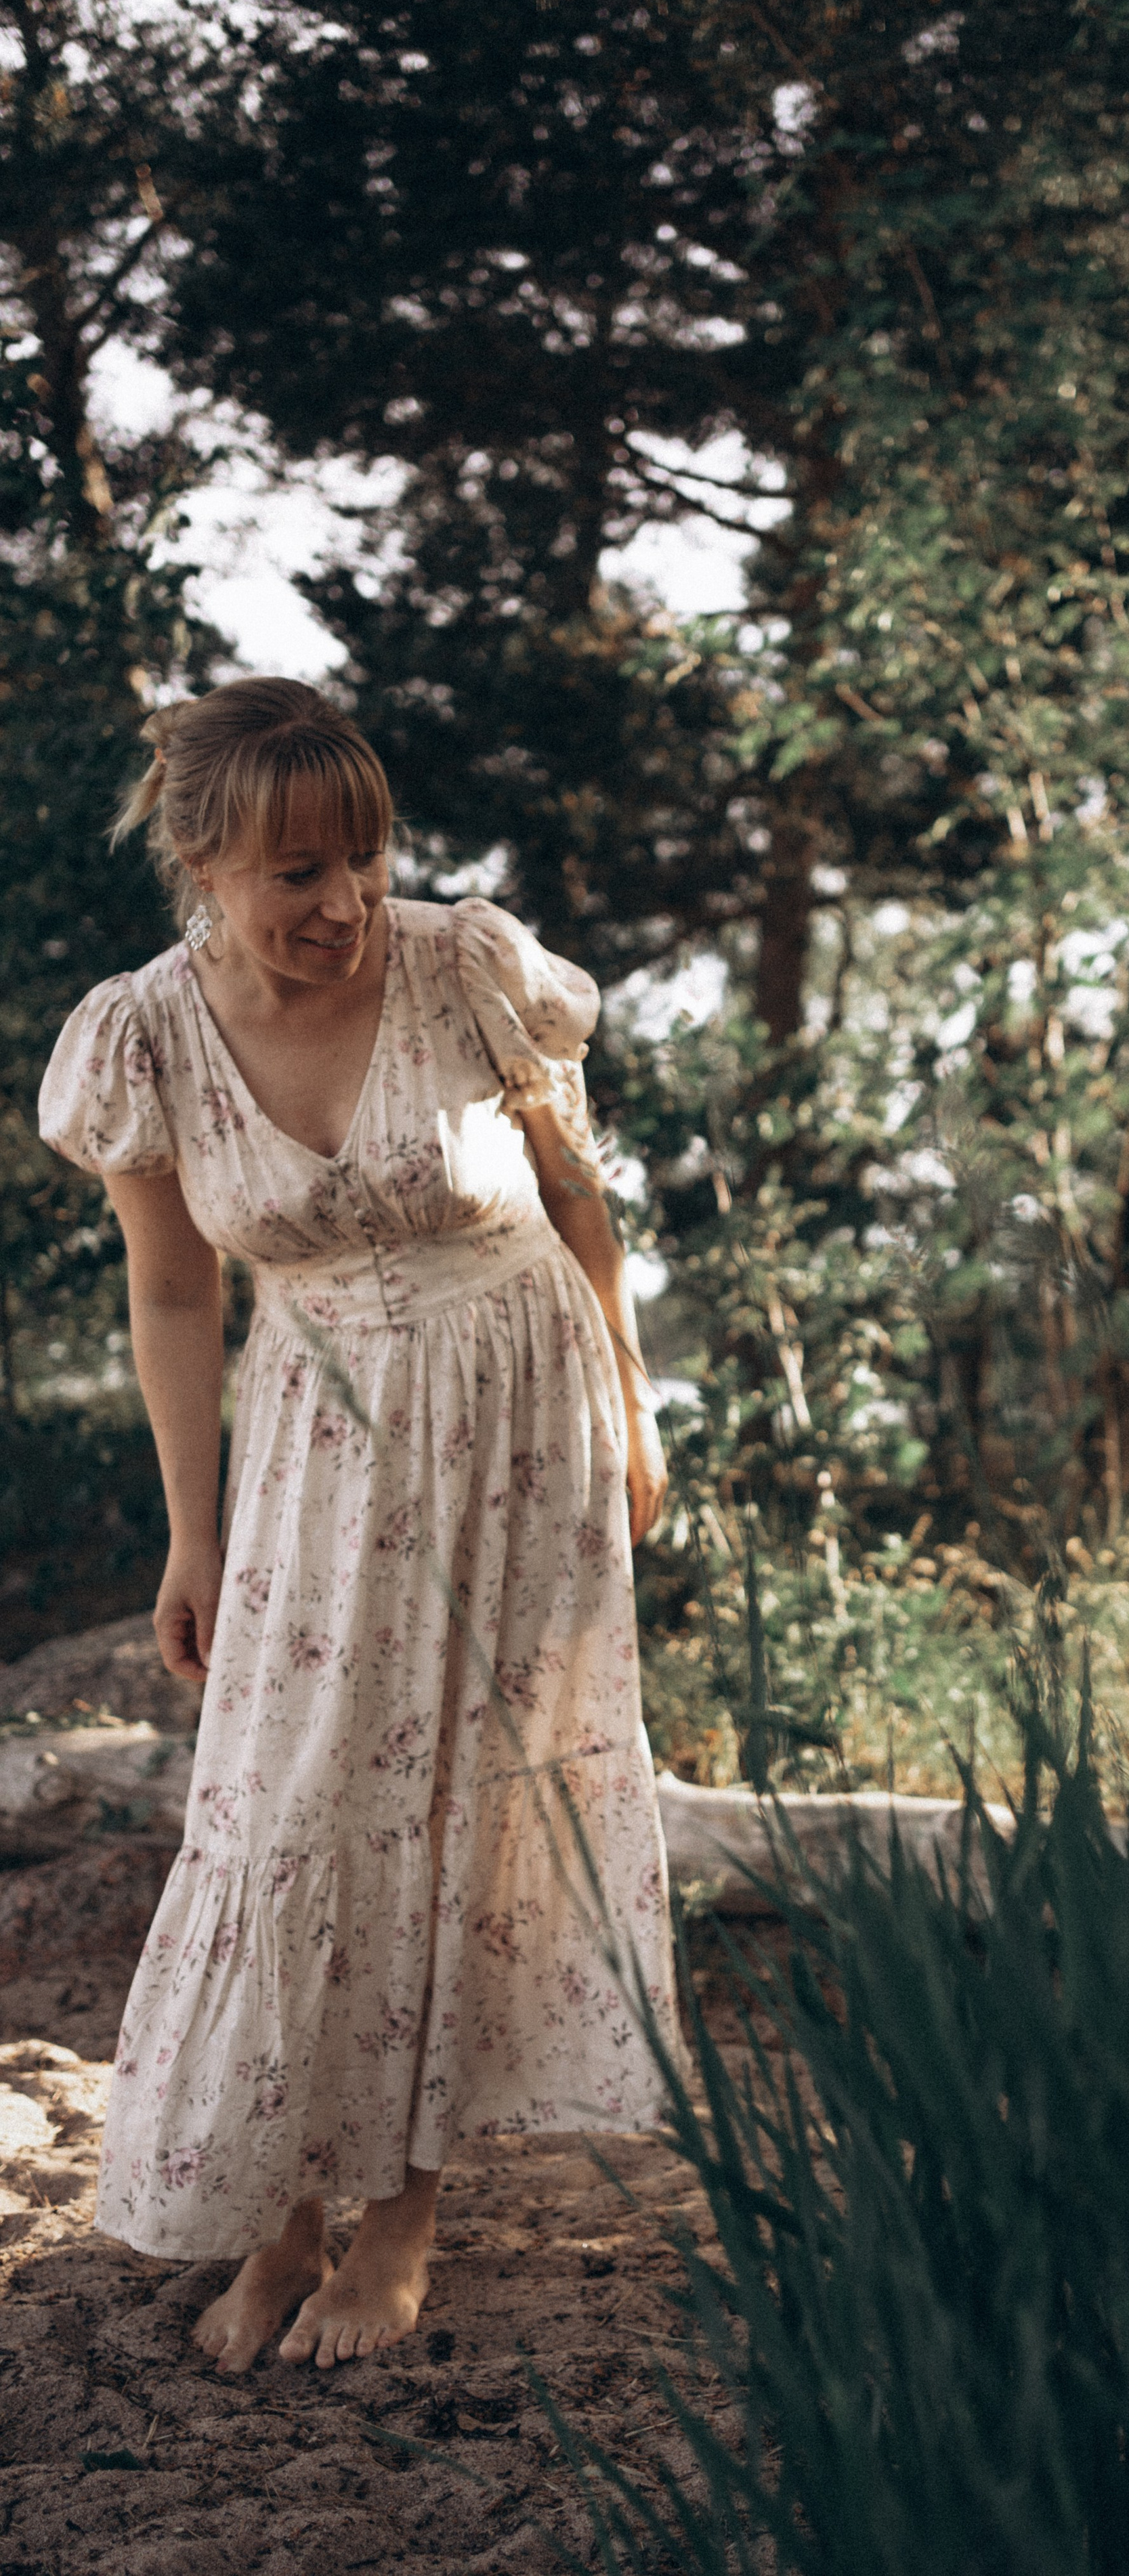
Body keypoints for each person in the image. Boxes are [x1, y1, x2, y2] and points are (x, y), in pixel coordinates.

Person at [37, 678, 682, 2372]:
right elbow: (174, 1293)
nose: (342, 903)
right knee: (286, 1796)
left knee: (464, 1796)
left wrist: (634, 1393)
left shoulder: (467, 962)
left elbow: (570, 1190)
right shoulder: (145, 1035)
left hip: (523, 1406)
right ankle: (277, 2215)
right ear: (203, 863)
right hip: (322, 1443)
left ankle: (398, 2224)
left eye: (364, 856)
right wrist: (194, 1533)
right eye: (297, 872)